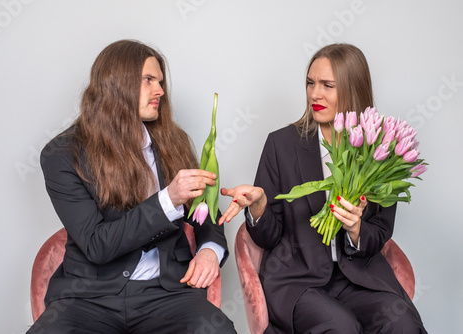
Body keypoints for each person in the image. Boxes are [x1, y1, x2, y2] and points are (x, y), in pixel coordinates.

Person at [28, 40, 236, 334]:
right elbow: (97, 244)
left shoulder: (174, 143)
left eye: (160, 82)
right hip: (87, 298)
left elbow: (205, 209)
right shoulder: (61, 154)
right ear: (116, 84)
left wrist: (210, 250)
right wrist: (168, 200)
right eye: (148, 80)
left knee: (218, 330)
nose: (160, 91)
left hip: (166, 295)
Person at [219, 44, 427, 333]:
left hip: (358, 279)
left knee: (402, 323)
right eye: (310, 83)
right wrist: (259, 206)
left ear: (353, 89)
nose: (315, 94)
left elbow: (379, 233)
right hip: (297, 281)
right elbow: (267, 237)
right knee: (340, 326)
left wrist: (355, 230)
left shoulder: (380, 149)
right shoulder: (281, 144)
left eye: (327, 85)